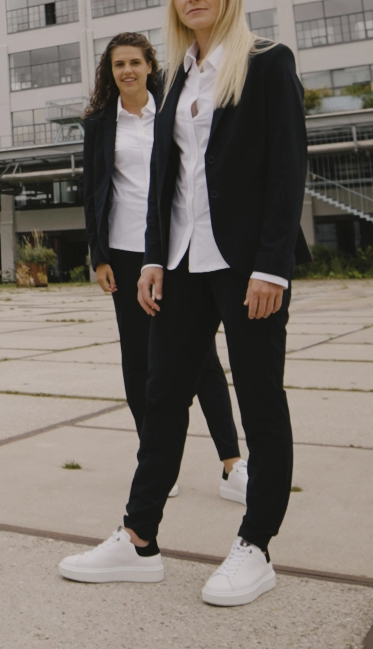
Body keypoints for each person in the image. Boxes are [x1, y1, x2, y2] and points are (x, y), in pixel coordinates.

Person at [60, 0, 308, 607]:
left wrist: (272, 267)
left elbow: (288, 173)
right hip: (181, 264)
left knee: (260, 400)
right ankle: (139, 539)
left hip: (246, 266)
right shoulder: (176, 80)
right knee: (163, 393)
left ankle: (256, 545)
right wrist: (150, 260)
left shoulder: (265, 64)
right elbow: (167, 185)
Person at [80, 33, 248, 504]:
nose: (127, 71)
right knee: (138, 362)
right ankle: (155, 461)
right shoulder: (98, 125)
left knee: (201, 359)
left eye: (135, 62)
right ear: (109, 72)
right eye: (118, 65)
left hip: (174, 250)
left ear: (150, 65)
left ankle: (232, 463)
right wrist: (99, 257)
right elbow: (92, 194)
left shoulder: (173, 109)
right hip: (124, 251)